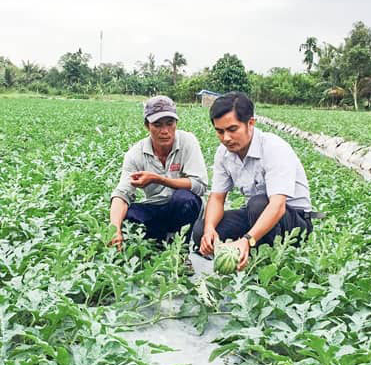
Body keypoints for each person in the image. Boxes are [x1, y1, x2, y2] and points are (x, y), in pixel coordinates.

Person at [193, 91, 313, 269]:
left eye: (232, 129)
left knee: (258, 204)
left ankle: (269, 265)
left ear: (250, 123)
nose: (226, 138)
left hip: (293, 221)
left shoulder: (273, 148)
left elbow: (277, 206)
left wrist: (247, 240)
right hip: (255, 214)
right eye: (220, 131)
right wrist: (210, 229)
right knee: (201, 231)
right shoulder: (223, 154)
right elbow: (217, 198)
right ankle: (242, 255)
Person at [110, 96, 208, 248]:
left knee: (185, 199)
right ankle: (161, 239)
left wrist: (158, 179)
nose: (165, 131)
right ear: (147, 126)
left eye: (170, 124)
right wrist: (114, 229)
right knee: (128, 217)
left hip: (182, 209)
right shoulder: (135, 154)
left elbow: (199, 185)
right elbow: (122, 194)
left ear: (176, 124)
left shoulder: (188, 142)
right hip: (156, 207)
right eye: (157, 125)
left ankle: (180, 251)